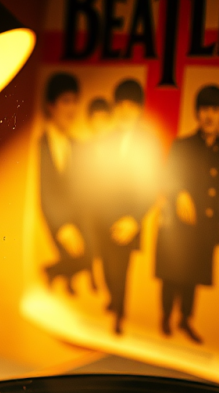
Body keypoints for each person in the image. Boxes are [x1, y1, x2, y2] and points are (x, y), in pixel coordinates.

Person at [156, 85, 219, 343]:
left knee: (192, 277)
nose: (209, 115)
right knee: (171, 274)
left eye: (215, 109)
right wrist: (179, 192)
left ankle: (185, 320)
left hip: (205, 226)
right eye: (204, 109)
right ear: (197, 113)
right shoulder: (182, 145)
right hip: (177, 225)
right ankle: (165, 317)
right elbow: (167, 176)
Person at [87, 79, 162, 334]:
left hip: (128, 219)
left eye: (131, 105)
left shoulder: (148, 141)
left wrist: (134, 219)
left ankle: (119, 315)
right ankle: (113, 301)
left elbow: (151, 188)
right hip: (101, 216)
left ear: (139, 108)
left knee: (121, 270)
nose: (125, 111)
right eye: (120, 105)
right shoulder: (106, 138)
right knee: (107, 268)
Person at [38, 72, 92, 294]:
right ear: (51, 106)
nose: (72, 109)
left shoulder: (78, 146)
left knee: (93, 254)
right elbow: (44, 191)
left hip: (77, 223)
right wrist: (62, 226)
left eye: (75, 101)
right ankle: (52, 273)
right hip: (52, 224)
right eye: (66, 101)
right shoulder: (37, 145)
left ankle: (54, 273)